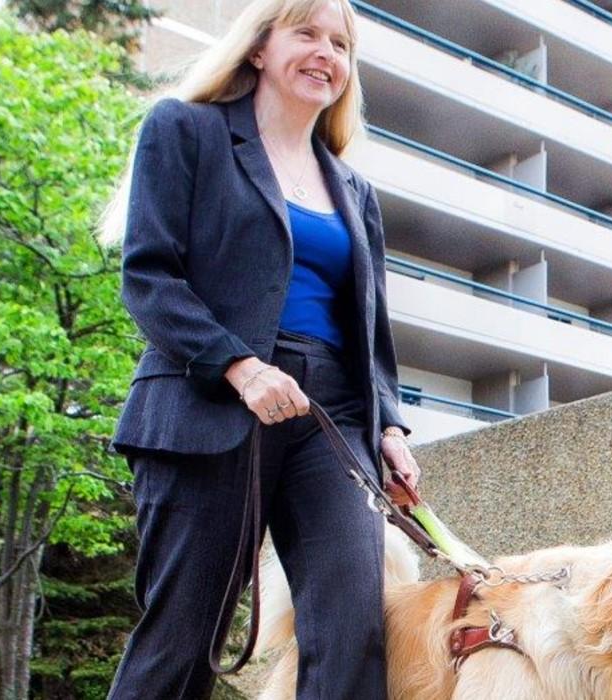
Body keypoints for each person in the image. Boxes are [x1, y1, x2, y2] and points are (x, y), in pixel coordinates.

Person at [97, 1, 419, 697]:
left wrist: (388, 426)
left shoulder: (353, 189)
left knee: (352, 627)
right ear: (257, 49)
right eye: (306, 33)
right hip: (209, 403)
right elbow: (149, 276)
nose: (325, 53)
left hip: (331, 416)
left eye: (340, 43)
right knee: (183, 634)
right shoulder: (186, 130)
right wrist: (240, 367)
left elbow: (371, 324)